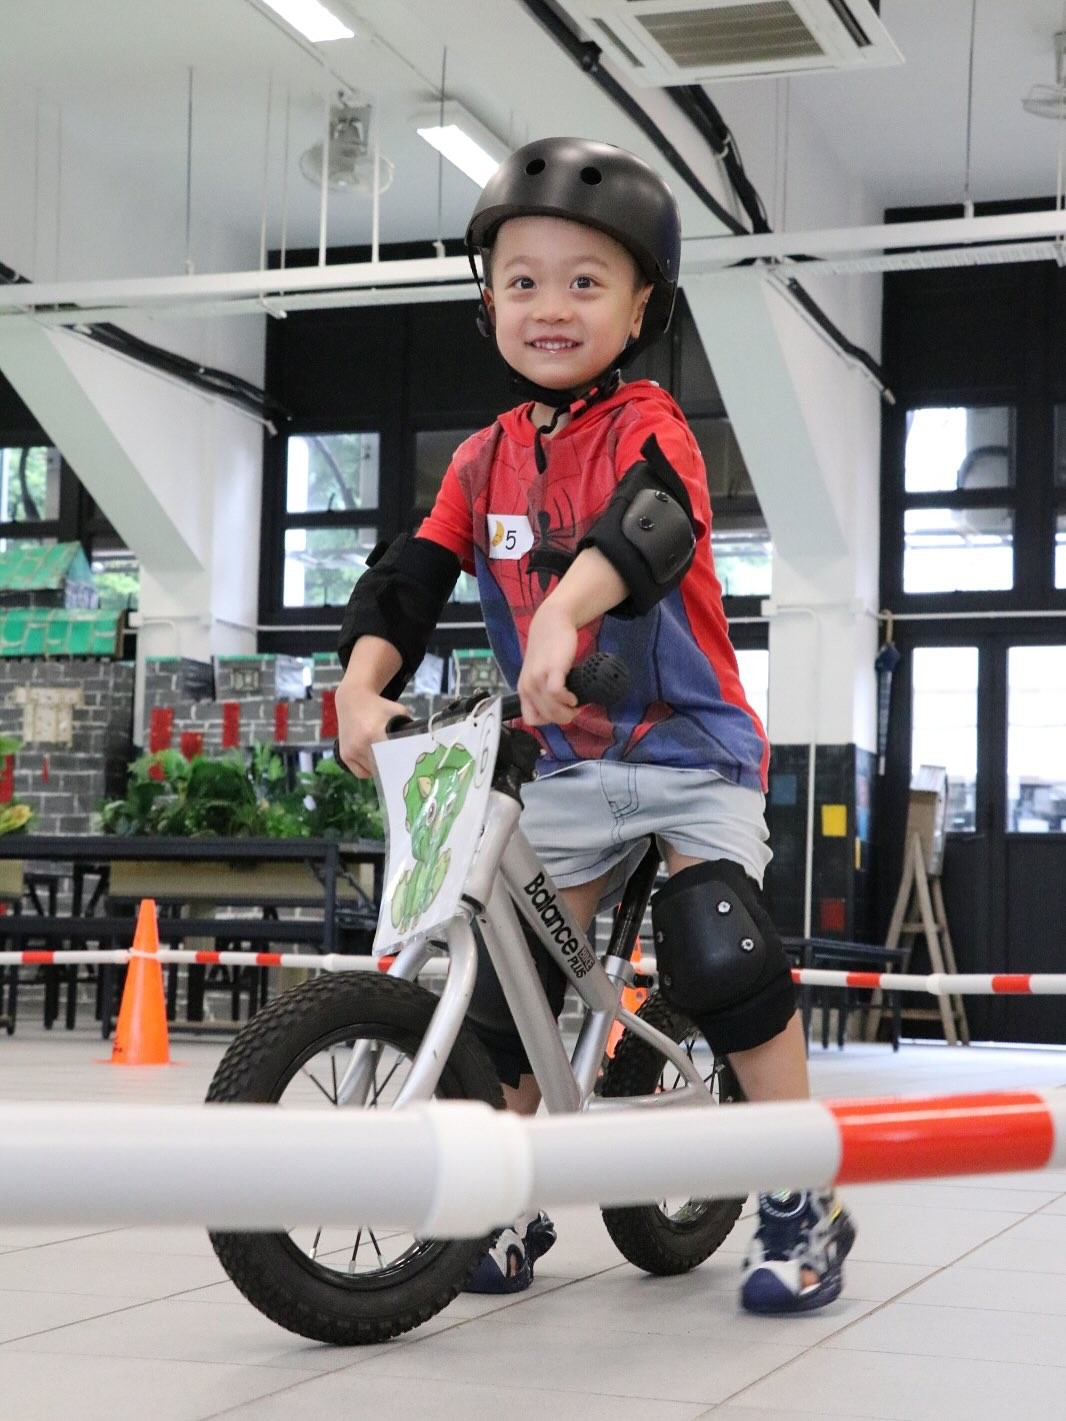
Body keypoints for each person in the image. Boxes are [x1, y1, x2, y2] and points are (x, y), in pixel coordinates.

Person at [335, 136, 855, 1315]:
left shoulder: (650, 423)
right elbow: (408, 579)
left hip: (693, 753)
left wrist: (565, 612)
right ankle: (506, 1193)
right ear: (488, 302)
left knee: (717, 944)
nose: (551, 307)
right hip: (566, 762)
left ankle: (800, 1197)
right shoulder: (481, 462)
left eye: (585, 282)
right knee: (509, 985)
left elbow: (649, 525)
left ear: (638, 307)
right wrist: (362, 686)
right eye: (522, 281)